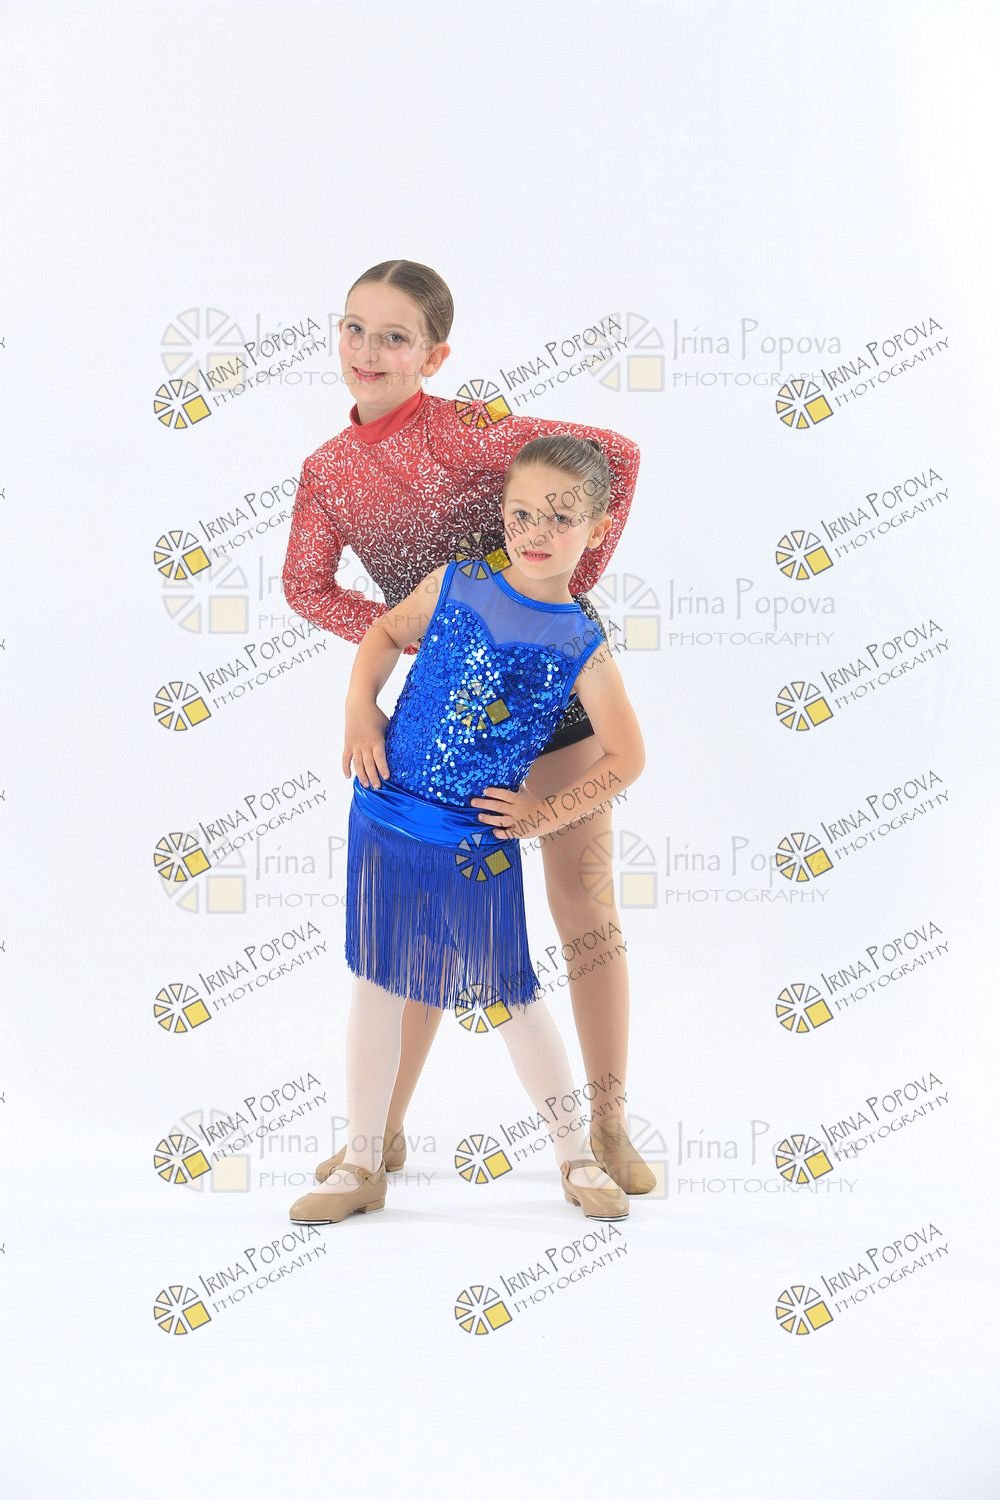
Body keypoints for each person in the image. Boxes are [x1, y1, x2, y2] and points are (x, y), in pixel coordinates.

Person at [282, 258, 655, 1194]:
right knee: (423, 927)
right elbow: (305, 587)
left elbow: (617, 453)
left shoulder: (466, 430)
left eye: (395, 336)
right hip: (440, 708)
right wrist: (395, 663)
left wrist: (561, 587)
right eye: (354, 328)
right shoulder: (326, 472)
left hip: (552, 696)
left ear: (433, 354)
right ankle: (382, 1133)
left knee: (582, 908)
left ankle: (606, 1123)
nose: (369, 351)